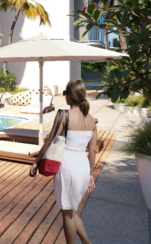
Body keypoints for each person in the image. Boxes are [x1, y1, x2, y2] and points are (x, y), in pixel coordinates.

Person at [29, 80, 97, 244]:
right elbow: (93, 151)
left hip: (67, 166)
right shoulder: (92, 120)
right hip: (83, 167)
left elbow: (49, 141)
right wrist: (90, 175)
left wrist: (36, 162)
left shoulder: (63, 115)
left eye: (66, 94)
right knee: (71, 211)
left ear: (70, 96)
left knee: (67, 213)